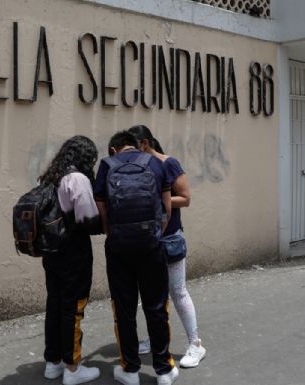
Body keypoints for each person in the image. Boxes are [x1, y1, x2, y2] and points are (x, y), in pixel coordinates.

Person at [94, 130, 179, 385]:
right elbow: (166, 207)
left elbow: (102, 210)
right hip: (151, 246)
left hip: (119, 248)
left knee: (124, 308)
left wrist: (114, 234)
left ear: (114, 149)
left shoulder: (106, 165)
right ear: (135, 146)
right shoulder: (154, 162)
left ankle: (130, 370)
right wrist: (153, 234)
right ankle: (164, 370)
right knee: (156, 306)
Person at [128, 125, 207, 368]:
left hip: (170, 237)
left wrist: (156, 199)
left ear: (144, 143)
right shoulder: (138, 167)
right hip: (146, 239)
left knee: (178, 291)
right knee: (153, 294)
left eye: (132, 147)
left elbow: (185, 198)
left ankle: (196, 344)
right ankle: (156, 339)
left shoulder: (169, 163)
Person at [37, 135, 101, 385]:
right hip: (74, 251)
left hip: (51, 251)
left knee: (54, 303)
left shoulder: (49, 177)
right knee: (72, 308)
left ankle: (53, 362)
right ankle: (72, 368)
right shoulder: (77, 179)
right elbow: (89, 220)